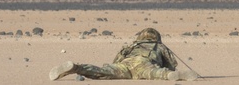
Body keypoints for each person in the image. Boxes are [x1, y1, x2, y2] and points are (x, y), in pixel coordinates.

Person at [50, 27, 199, 81]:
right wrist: (170, 70)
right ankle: (170, 77)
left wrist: (116, 67)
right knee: (156, 73)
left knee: (102, 72)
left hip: (125, 64)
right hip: (144, 64)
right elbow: (171, 64)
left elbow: (117, 60)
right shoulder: (158, 46)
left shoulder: (132, 46)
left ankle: (76, 67)